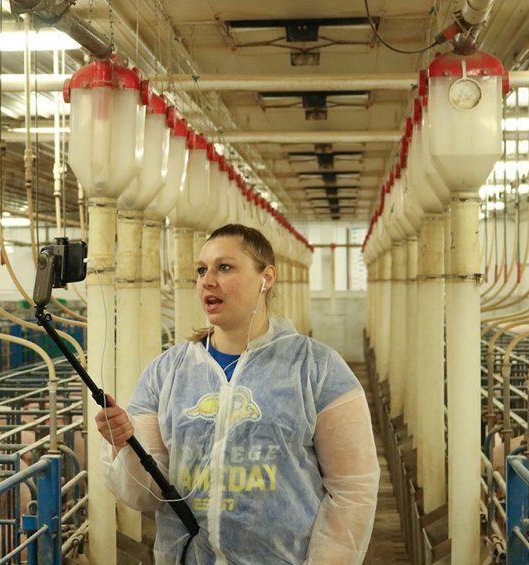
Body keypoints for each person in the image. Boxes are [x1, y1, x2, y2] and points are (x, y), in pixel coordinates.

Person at [96, 223, 380, 564]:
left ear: (266, 278)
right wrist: (124, 444)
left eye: (224, 267)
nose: (207, 280)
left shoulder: (317, 368)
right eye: (202, 270)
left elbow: (353, 490)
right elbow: (148, 494)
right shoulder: (165, 373)